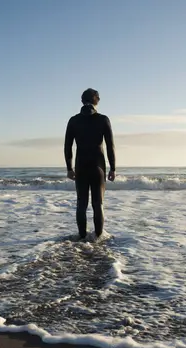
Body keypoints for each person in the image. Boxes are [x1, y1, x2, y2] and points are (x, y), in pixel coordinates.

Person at [64, 88, 116, 239]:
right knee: (97, 204)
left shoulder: (73, 120)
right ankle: (98, 238)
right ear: (97, 101)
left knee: (81, 203)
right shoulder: (103, 119)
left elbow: (67, 147)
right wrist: (113, 168)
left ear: (82, 101)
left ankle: (81, 238)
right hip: (97, 166)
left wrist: (69, 168)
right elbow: (110, 146)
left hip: (81, 166)